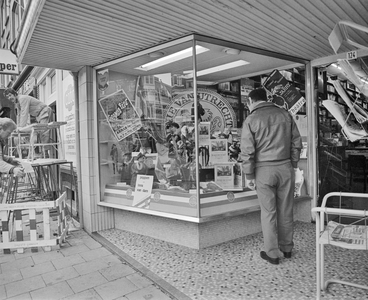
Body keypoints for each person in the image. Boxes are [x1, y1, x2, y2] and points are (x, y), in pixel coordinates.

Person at [240, 88, 302, 265]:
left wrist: (249, 175)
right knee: (286, 209)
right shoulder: (285, 114)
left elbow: (247, 151)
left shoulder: (251, 119)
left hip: (263, 170)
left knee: (268, 213)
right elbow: (296, 142)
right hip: (285, 167)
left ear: (251, 101)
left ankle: (273, 254)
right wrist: (294, 164)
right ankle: (287, 248)